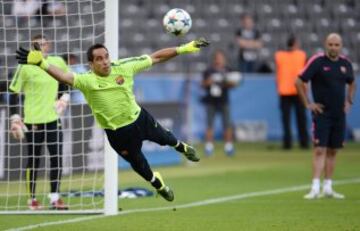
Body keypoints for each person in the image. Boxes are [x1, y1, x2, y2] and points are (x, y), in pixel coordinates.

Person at [15, 38, 209, 202]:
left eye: (106, 56)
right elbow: (63, 76)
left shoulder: (124, 67)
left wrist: (184, 48)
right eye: (99, 59)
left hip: (139, 119)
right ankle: (158, 184)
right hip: (117, 133)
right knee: (140, 165)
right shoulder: (86, 80)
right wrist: (42, 63)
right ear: (91, 64)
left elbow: (156, 56)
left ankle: (182, 147)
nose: (105, 61)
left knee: (166, 138)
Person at [9, 34, 70, 210]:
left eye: (43, 44)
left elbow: (65, 81)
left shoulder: (58, 61)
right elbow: (14, 92)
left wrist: (63, 98)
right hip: (32, 121)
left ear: (48, 46)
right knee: (34, 160)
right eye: (37, 44)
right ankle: (32, 199)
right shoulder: (25, 66)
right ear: (32, 46)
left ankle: (54, 197)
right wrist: (15, 118)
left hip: (53, 119)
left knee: (56, 157)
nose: (41, 47)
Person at [296, 33, 356, 199]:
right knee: (319, 149)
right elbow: (299, 81)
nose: (333, 48)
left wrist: (349, 101)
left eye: (336, 45)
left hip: (339, 115)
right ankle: (315, 187)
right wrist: (308, 103)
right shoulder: (317, 61)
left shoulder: (345, 64)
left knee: (333, 151)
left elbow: (352, 82)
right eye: (330, 44)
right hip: (322, 113)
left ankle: (328, 187)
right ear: (325, 44)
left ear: (341, 46)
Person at [274, 36, 309, 150]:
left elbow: (277, 73)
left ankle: (287, 143)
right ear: (295, 44)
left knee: (286, 120)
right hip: (298, 90)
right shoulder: (302, 55)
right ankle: (304, 142)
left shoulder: (279, 55)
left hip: (284, 91)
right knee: (301, 119)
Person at [201, 50, 237, 156]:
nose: (219, 60)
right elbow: (203, 84)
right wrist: (210, 81)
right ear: (214, 59)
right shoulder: (209, 71)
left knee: (227, 125)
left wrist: (225, 80)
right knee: (209, 125)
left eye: (221, 58)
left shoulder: (228, 70)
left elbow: (233, 84)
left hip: (224, 100)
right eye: (217, 58)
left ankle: (228, 147)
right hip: (211, 101)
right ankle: (209, 147)